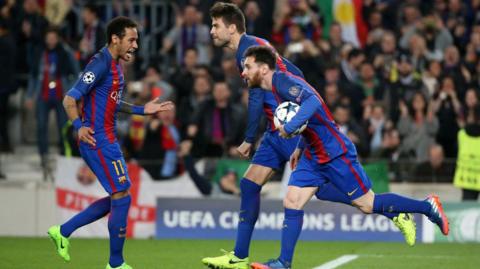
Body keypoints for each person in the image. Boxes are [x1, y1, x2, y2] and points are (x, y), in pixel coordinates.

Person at [202, 3, 416, 269]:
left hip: (287, 129)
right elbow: (298, 75)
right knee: (249, 184)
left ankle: (390, 209)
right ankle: (239, 256)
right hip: (274, 131)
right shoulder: (255, 47)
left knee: (321, 190)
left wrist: (249, 138)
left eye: (215, 26)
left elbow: (257, 97)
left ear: (231, 27)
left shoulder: (250, 50)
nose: (211, 31)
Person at [242, 46, 449, 269]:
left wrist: (290, 127)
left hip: (334, 152)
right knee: (292, 200)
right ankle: (283, 263)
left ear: (263, 69)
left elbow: (314, 102)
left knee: (368, 204)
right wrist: (300, 146)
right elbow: (312, 120)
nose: (243, 72)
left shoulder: (282, 82)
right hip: (313, 154)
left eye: (247, 67)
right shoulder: (275, 87)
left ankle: (427, 207)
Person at [47, 17, 173, 269]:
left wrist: (142, 109)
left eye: (136, 40)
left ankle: (63, 231)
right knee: (122, 196)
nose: (135, 45)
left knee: (121, 196)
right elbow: (69, 99)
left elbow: (113, 102)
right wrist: (78, 126)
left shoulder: (116, 65)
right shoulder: (100, 63)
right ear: (115, 39)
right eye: (131, 39)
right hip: (97, 139)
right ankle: (115, 263)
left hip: (108, 139)